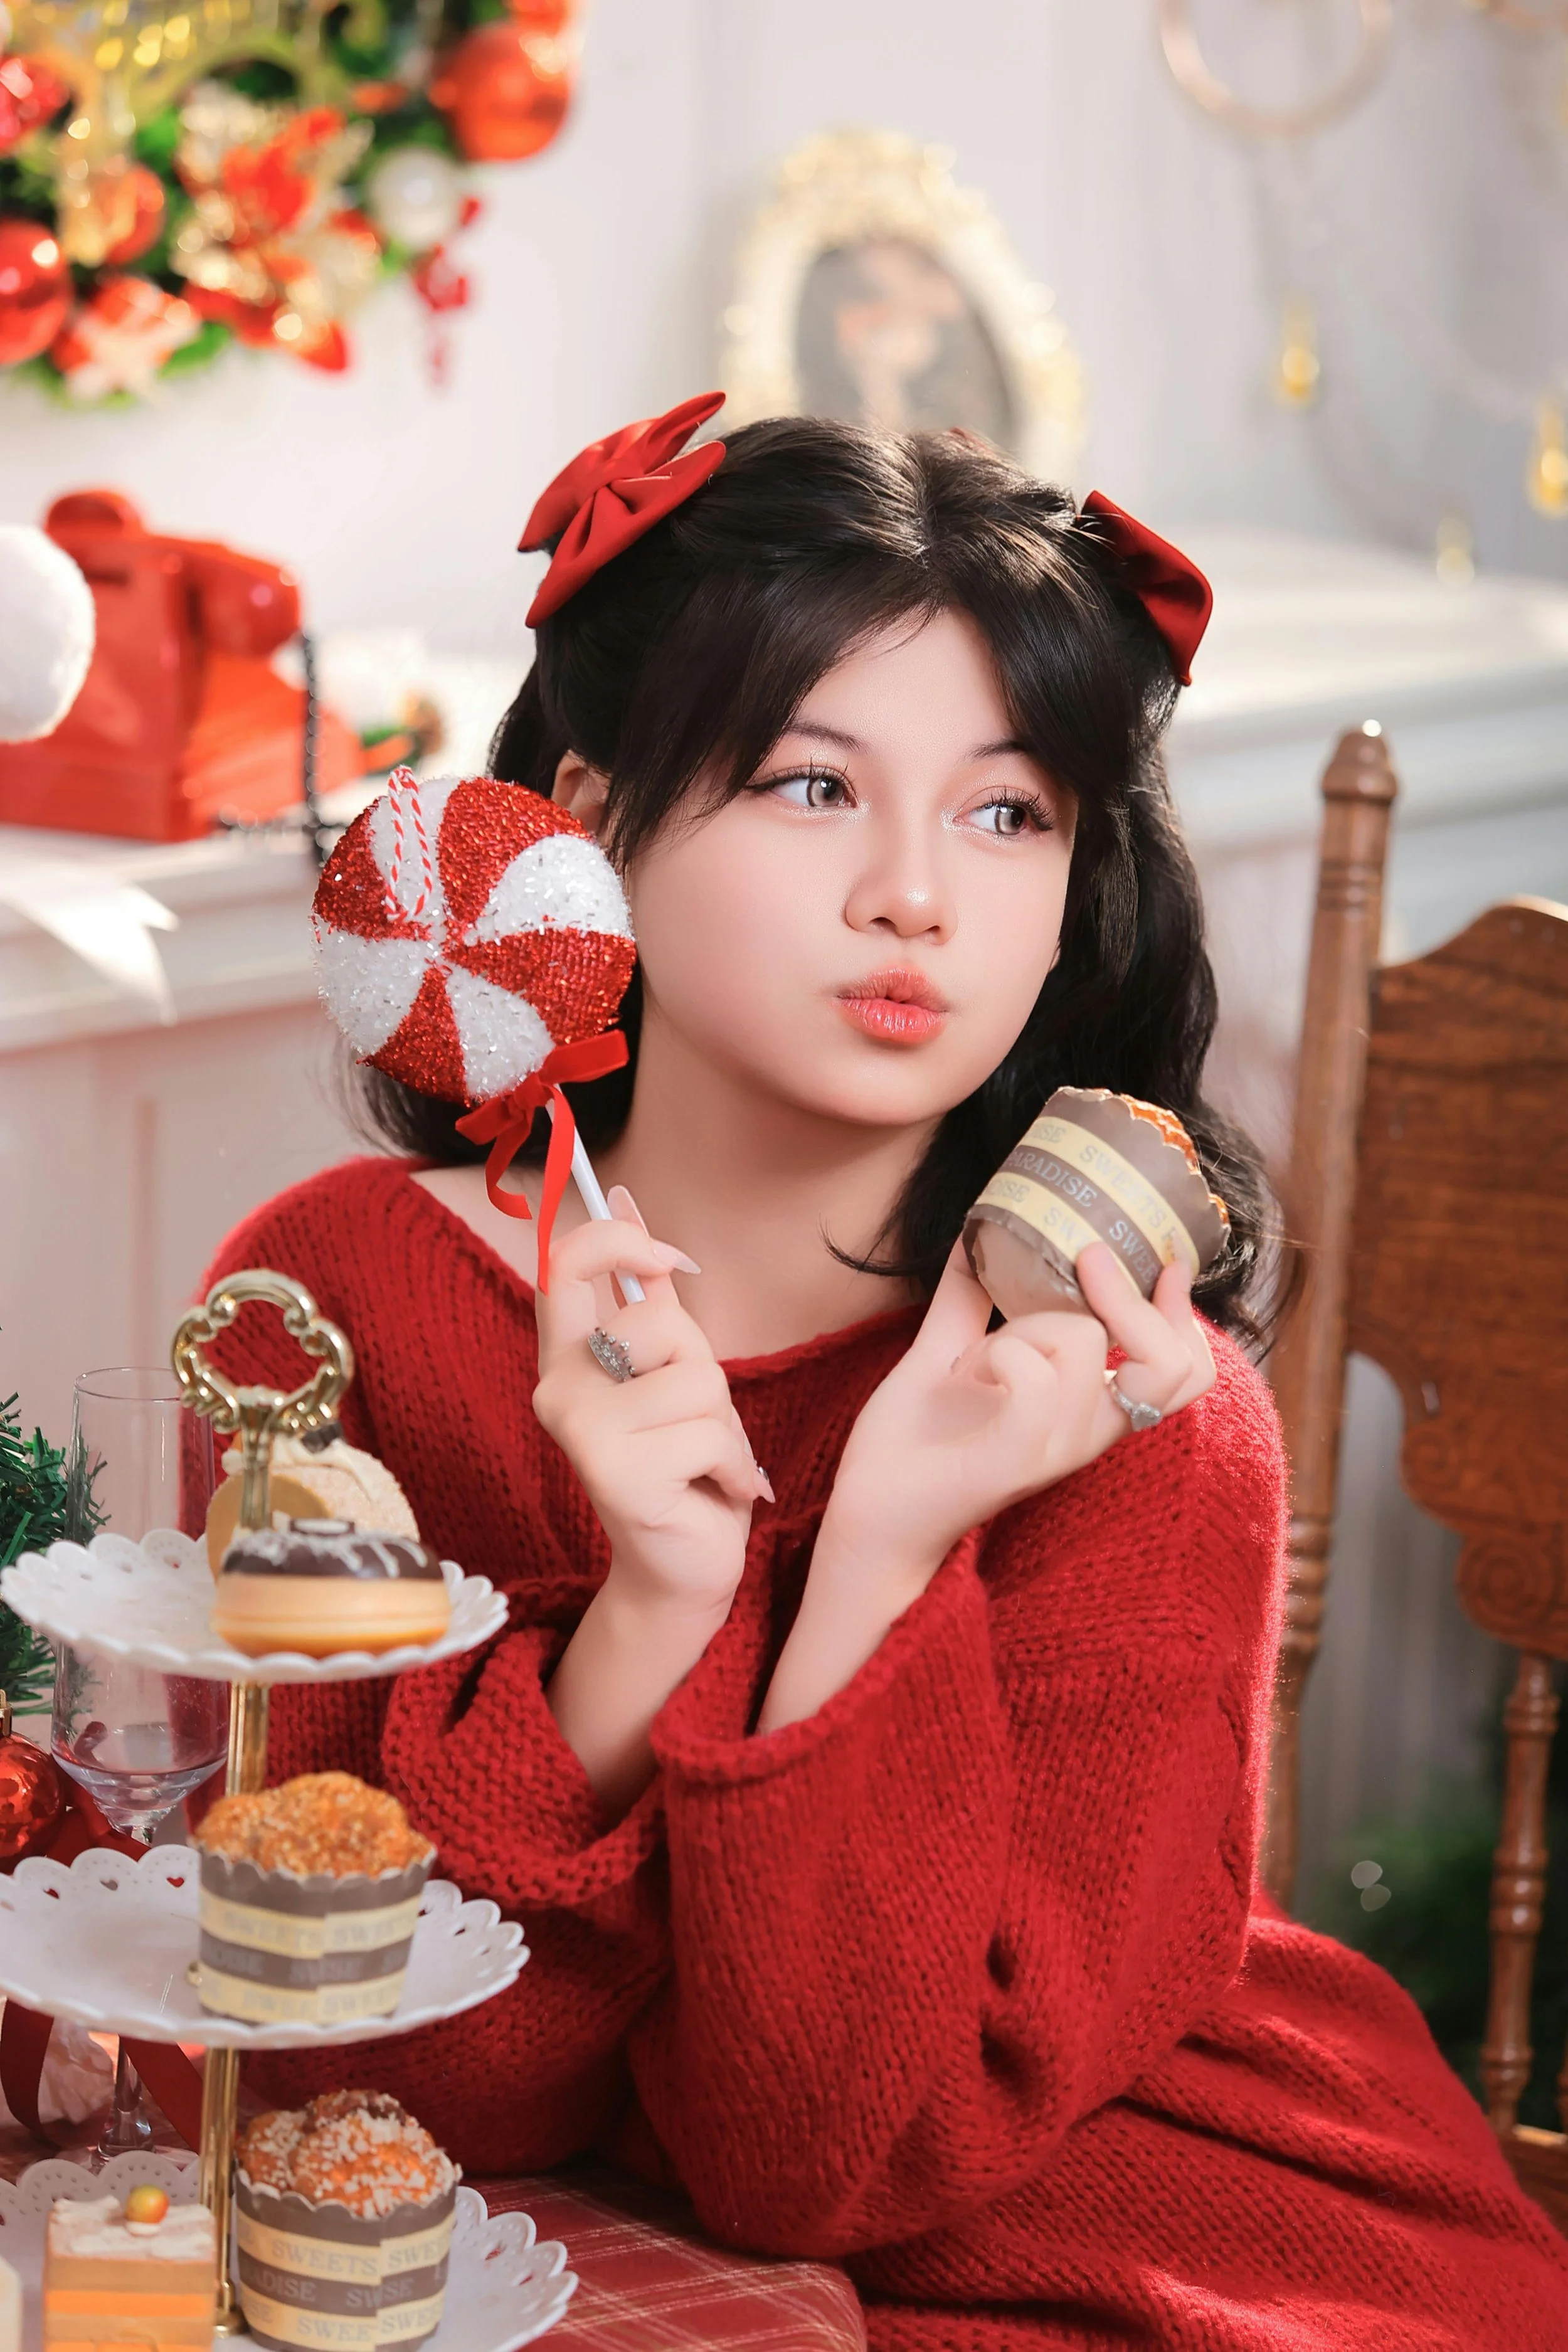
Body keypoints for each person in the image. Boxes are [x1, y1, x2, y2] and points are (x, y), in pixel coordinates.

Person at [207, 400, 1568, 2348]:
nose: (919, 895)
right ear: (586, 828)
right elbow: (388, 2094)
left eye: (1009, 810)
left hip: (1145, 2236)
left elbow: (818, 2160)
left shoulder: (1129, 1412)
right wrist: (649, 1609)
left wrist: (881, 1551)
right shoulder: (333, 1307)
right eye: (812, 786)